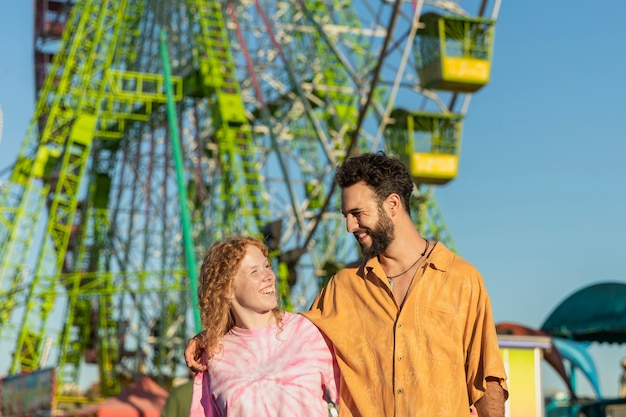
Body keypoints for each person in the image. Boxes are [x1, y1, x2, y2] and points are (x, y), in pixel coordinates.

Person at [186, 152, 508, 416]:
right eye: (345, 215)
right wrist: (208, 336)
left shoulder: (461, 280)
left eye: (357, 213)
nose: (349, 225)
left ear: (392, 205)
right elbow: (277, 333)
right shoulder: (343, 287)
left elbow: (487, 379)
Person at [187, 236, 339, 417]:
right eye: (254, 272)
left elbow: (352, 401)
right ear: (226, 289)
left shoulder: (308, 332)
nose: (268, 276)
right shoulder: (213, 354)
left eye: (267, 266)